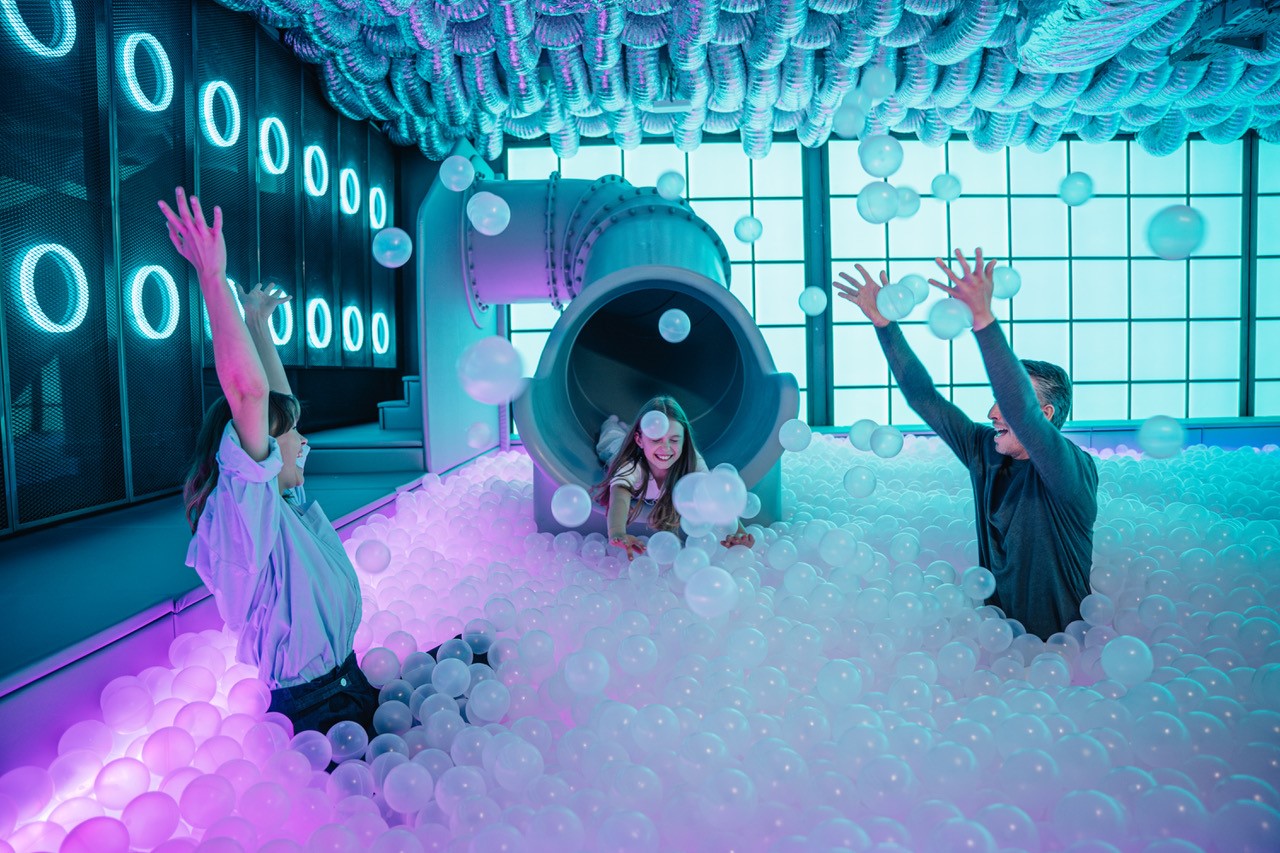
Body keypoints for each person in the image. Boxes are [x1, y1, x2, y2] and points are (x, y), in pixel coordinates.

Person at [165, 187, 382, 737]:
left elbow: (281, 408)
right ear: (253, 452)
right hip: (318, 712)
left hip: (348, 686)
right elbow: (250, 393)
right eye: (292, 438)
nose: (304, 445)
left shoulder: (283, 505)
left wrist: (258, 324)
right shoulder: (245, 520)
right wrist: (213, 278)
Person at [834, 249, 1098, 640]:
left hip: (1063, 650)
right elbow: (924, 397)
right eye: (995, 402)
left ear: (1045, 414)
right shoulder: (985, 451)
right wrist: (885, 325)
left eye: (1004, 403)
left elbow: (1020, 409)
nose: (992, 413)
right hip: (998, 644)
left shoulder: (1071, 470)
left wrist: (983, 319)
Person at [593, 396, 755, 560]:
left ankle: (633, 431)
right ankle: (612, 422)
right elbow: (619, 497)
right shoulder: (631, 465)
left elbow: (713, 495)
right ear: (639, 440)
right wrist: (617, 532)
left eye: (674, 440)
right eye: (656, 439)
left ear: (684, 440)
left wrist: (739, 532)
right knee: (611, 438)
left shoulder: (693, 462)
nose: (666, 448)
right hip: (617, 449)